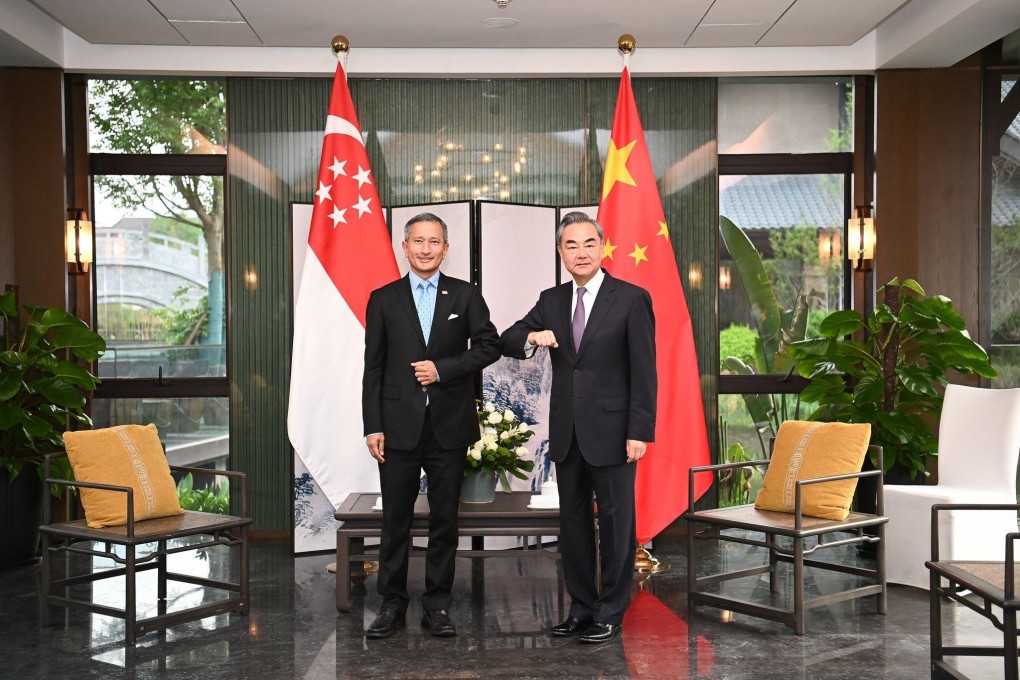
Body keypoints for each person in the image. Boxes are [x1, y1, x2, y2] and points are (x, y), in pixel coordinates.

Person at [499, 211, 656, 643]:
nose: (581, 252)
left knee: (617, 525)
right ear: (560, 252)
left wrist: (639, 431)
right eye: (571, 245)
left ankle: (610, 610)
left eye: (589, 243)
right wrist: (533, 337)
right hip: (567, 436)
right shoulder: (550, 300)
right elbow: (508, 337)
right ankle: (582, 608)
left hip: (616, 435)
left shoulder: (631, 297)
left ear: (602, 248)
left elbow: (645, 371)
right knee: (572, 528)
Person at [362, 212, 500, 639]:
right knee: (395, 521)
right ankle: (391, 604)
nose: (425, 248)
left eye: (434, 241)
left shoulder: (465, 296)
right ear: (405, 248)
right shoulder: (383, 298)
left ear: (445, 248)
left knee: (445, 522)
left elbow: (490, 345)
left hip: (449, 426)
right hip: (397, 427)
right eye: (417, 241)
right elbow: (374, 368)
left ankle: (437, 605)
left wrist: (443, 369)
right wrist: (373, 426)